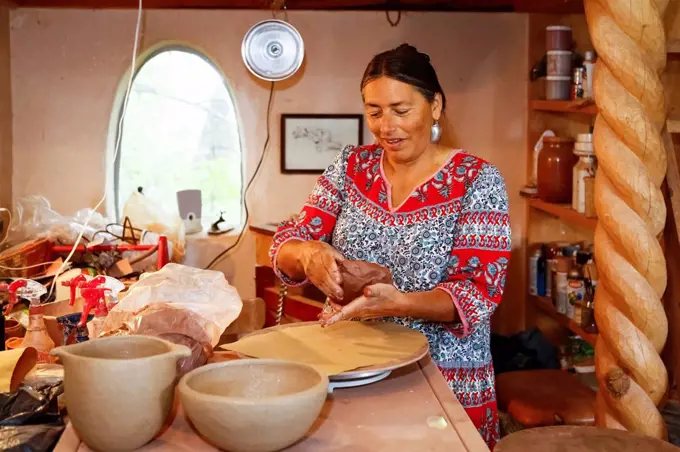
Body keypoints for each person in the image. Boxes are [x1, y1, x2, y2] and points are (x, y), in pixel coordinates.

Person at [269, 43, 511, 449]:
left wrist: (398, 303)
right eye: (374, 111)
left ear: (435, 106)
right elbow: (286, 243)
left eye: (401, 111)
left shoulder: (477, 180)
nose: (386, 127)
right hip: (351, 367)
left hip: (444, 376)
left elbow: (475, 293)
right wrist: (309, 254)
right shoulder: (349, 167)